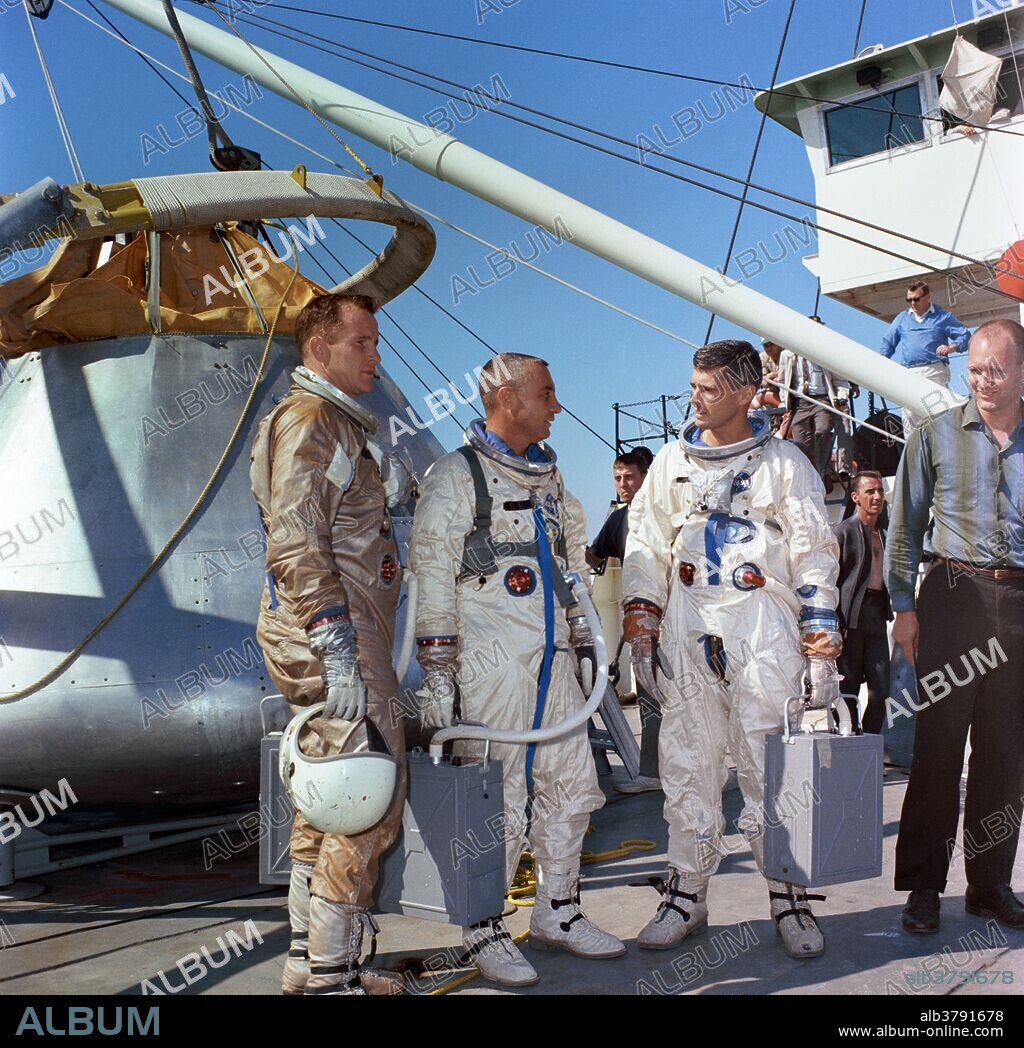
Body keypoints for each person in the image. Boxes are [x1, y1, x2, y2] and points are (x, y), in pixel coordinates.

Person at [409, 352, 625, 987]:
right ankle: (483, 925)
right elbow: (431, 571)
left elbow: (570, 565)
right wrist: (439, 670)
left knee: (573, 784)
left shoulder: (548, 479)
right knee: (496, 797)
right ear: (509, 398)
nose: (557, 406)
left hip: (552, 660)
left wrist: (584, 636)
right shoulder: (457, 476)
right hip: (490, 662)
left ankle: (558, 910)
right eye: (547, 394)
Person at [623, 339, 842, 960]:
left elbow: (814, 551)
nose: (695, 398)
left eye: (709, 389)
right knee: (688, 763)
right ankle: (686, 894)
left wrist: (820, 649)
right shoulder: (672, 463)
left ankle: (788, 894)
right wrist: (642, 627)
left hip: (761, 624)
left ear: (746, 394)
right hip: (690, 620)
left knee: (769, 766)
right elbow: (645, 544)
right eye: (693, 386)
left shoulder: (785, 464)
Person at [250, 293, 406, 995]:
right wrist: (336, 644)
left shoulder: (332, 423)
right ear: (319, 349)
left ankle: (306, 959)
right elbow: (294, 538)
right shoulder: (313, 420)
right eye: (361, 343)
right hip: (336, 633)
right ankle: (334, 975)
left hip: (330, 628)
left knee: (327, 797)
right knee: (364, 797)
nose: (376, 356)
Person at [887, 319, 1024, 935]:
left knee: (1005, 754)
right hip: (951, 598)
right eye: (974, 371)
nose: (983, 382)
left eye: (996, 370)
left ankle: (989, 885)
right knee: (938, 748)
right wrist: (904, 608)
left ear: (1022, 371)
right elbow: (905, 527)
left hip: (1018, 603)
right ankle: (923, 888)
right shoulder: (933, 435)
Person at [585, 446, 661, 795]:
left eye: (630, 477)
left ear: (646, 477)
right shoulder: (619, 520)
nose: (623, 484)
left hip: (675, 618)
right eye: (617, 478)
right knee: (650, 697)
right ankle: (653, 771)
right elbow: (593, 556)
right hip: (642, 624)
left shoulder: (666, 513)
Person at [835, 471, 891, 734]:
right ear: (856, 497)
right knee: (848, 688)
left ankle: (870, 741)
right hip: (850, 617)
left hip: (877, 613)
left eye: (879, 491)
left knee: (881, 690)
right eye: (870, 491)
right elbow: (830, 579)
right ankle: (848, 741)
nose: (877, 496)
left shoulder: (886, 533)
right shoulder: (843, 532)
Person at [879, 282, 971, 439]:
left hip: (934, 369)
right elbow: (888, 342)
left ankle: (942, 446)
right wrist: (881, 363)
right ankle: (913, 449)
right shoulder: (902, 318)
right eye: (909, 300)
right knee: (910, 415)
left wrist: (952, 347)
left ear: (927, 297)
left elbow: (965, 336)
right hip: (910, 371)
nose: (912, 303)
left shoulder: (942, 316)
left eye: (916, 299)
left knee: (937, 412)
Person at [786, 318, 846, 477]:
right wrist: (784, 399)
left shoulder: (827, 354)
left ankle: (821, 468)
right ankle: (810, 473)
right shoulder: (788, 354)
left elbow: (840, 380)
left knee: (823, 430)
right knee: (801, 442)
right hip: (799, 402)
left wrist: (842, 397)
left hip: (821, 399)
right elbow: (782, 380)